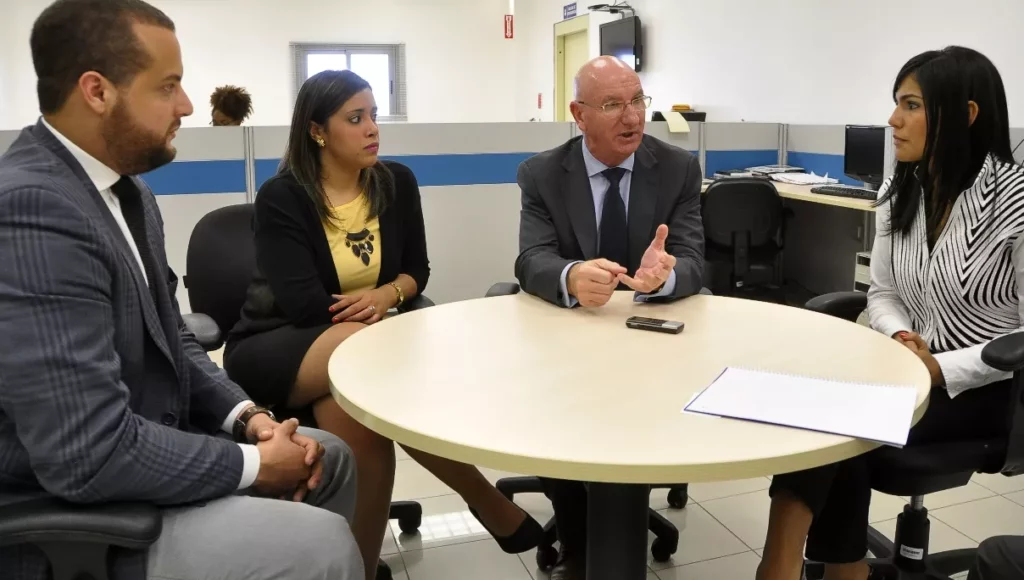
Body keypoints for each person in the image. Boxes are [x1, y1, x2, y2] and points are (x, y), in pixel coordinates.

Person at [0, 1, 362, 580]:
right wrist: (253, 464)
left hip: (146, 447)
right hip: (83, 511)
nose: (188, 105)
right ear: (97, 91)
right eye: (167, 86)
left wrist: (248, 420)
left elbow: (173, 338)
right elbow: (86, 453)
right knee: (320, 545)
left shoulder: (128, 194)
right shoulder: (32, 208)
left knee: (332, 459)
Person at [223, 69, 544, 580]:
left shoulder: (396, 182)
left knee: (365, 430)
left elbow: (416, 271)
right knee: (373, 362)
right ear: (317, 131)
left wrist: (386, 295)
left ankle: (362, 568)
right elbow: (304, 304)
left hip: (359, 347)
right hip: (276, 344)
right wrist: (382, 316)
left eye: (373, 115)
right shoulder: (284, 196)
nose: (372, 128)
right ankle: (488, 502)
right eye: (355, 118)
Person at [758, 46, 1024, 580]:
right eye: (896, 103)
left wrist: (940, 368)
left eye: (911, 105)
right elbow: (881, 292)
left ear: (966, 114)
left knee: (842, 423)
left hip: (988, 390)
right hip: (905, 373)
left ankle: (793, 568)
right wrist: (902, 337)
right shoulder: (902, 188)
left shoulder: (1015, 202)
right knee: (822, 410)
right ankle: (825, 567)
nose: (892, 119)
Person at [514, 55, 705, 579]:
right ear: (579, 115)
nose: (633, 117)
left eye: (638, 100)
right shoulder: (542, 174)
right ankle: (578, 541)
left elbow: (694, 259)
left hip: (653, 345)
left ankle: (614, 522)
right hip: (573, 340)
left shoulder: (678, 168)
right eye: (613, 105)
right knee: (557, 416)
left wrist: (665, 276)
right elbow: (531, 259)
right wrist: (571, 274)